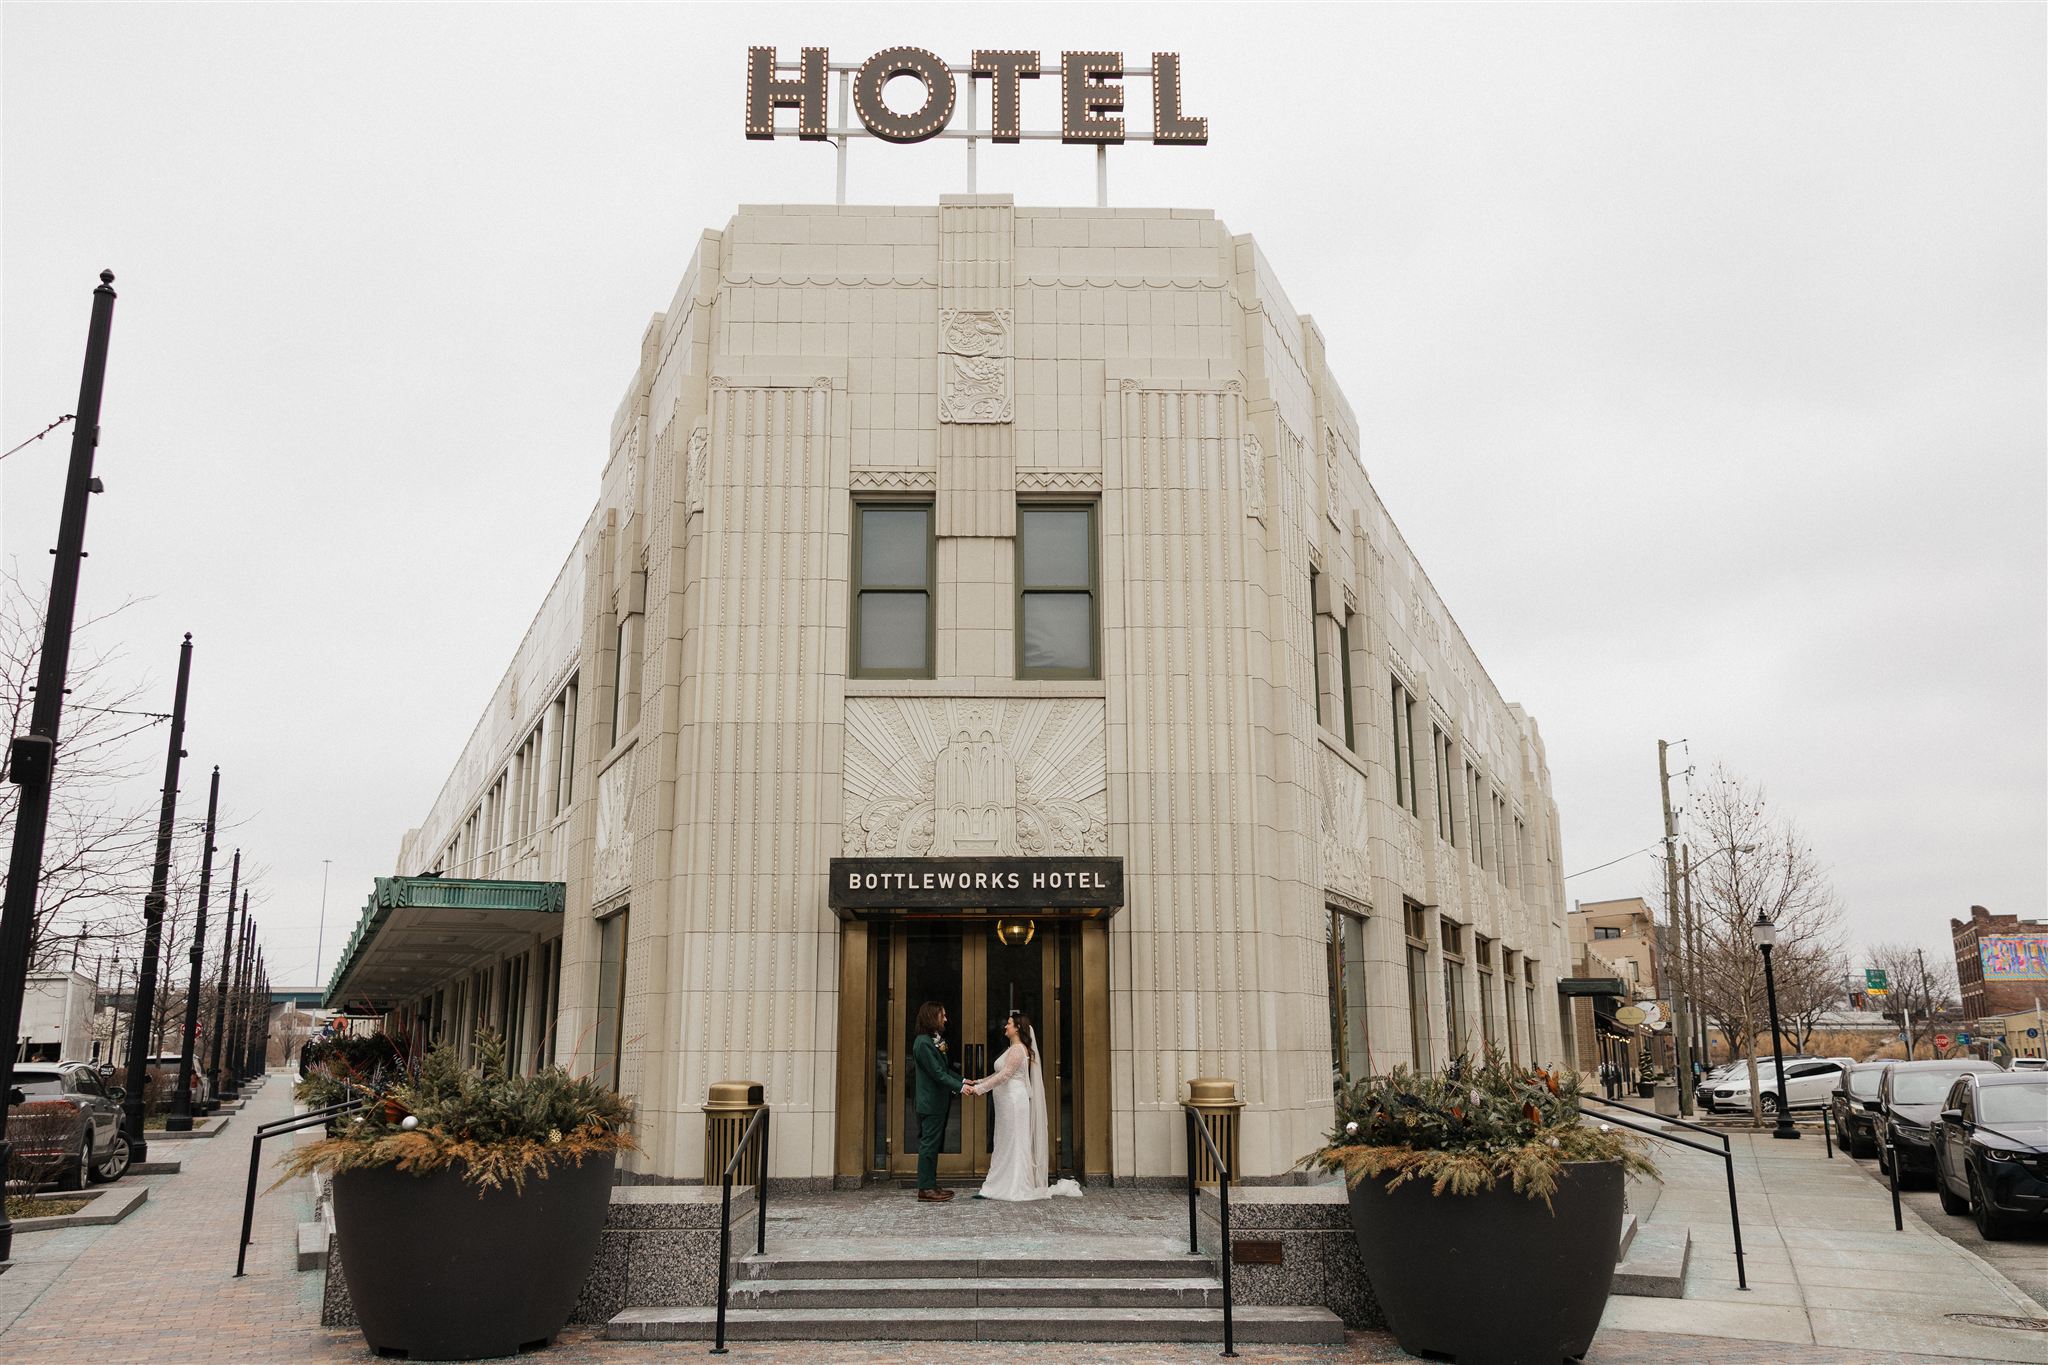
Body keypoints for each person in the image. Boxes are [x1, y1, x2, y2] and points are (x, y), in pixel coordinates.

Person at [961, 1009, 1082, 1201]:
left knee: (1014, 1142)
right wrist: (977, 1082)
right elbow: (999, 1073)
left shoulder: (1018, 1049)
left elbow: (1006, 1075)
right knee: (1004, 1141)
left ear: (1017, 1028)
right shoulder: (1013, 1049)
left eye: (1009, 1023)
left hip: (1014, 1101)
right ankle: (997, 1185)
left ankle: (1015, 1186)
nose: (1005, 1026)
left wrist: (980, 1089)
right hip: (1006, 1102)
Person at [909, 1000, 964, 1203]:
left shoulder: (931, 1041)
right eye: (943, 1015)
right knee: (929, 1145)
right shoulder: (923, 1043)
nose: (946, 1019)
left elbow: (944, 1070)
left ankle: (931, 1184)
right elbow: (938, 1074)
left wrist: (964, 1080)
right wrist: (960, 1088)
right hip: (930, 1102)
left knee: (932, 1144)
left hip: (937, 1101)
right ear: (933, 1017)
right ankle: (926, 1188)